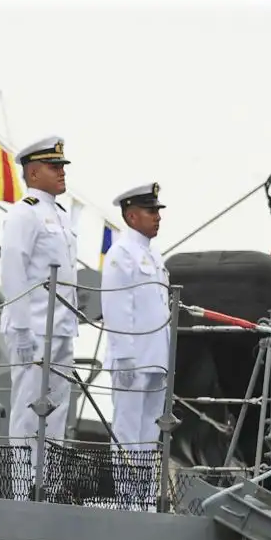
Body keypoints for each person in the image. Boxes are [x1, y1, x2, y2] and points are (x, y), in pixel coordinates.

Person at [0, 136, 80, 471]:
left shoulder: (61, 215)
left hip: (60, 327)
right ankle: (21, 481)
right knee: (28, 410)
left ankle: (48, 480)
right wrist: (20, 329)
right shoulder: (24, 214)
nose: (61, 172)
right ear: (33, 173)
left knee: (58, 409)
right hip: (33, 329)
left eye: (61, 166)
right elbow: (14, 272)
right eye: (53, 166)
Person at [100, 182, 171, 508]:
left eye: (157, 211)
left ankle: (142, 495)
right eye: (150, 211)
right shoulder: (120, 254)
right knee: (128, 431)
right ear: (131, 215)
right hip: (132, 358)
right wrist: (125, 356)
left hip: (155, 358)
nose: (157, 217)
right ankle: (127, 497)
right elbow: (115, 307)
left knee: (149, 431)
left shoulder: (153, 255)